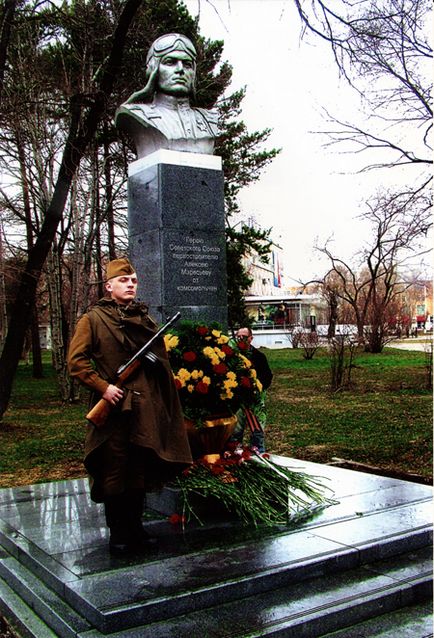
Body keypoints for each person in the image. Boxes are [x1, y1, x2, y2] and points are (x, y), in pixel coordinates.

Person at [67, 258, 192, 555]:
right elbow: (77, 363)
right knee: (114, 470)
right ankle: (118, 533)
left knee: (137, 470)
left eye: (134, 281)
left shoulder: (145, 321)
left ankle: (136, 529)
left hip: (142, 409)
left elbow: (160, 362)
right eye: (124, 281)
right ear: (109, 286)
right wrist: (103, 387)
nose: (131, 285)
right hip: (113, 409)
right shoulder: (93, 320)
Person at [115, 33, 219, 158]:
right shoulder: (138, 114)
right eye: (170, 62)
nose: (180, 69)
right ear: (153, 70)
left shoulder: (209, 119)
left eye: (187, 64)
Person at [231, 327, 273, 453]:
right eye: (239, 336)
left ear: (251, 338)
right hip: (236, 403)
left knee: (257, 433)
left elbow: (267, 377)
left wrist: (255, 388)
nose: (242, 339)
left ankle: (258, 455)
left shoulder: (259, 357)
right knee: (235, 434)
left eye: (245, 337)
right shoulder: (231, 356)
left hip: (254, 402)